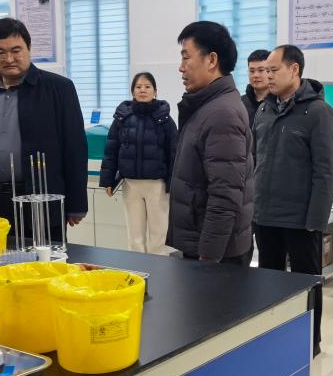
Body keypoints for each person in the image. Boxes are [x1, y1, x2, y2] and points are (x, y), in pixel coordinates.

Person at [0, 17, 88, 244]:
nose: (9, 59)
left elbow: (75, 147)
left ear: (29, 49)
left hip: (39, 201)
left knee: (42, 261)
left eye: (16, 50)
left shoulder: (58, 88)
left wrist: (77, 203)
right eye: (0, 52)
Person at [253, 45, 333, 357]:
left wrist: (316, 221)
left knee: (306, 284)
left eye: (273, 70)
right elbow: (256, 160)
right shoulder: (264, 110)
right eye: (264, 70)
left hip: (301, 220)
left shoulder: (317, 112)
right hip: (265, 216)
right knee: (269, 283)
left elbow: (326, 171)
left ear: (294, 70)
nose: (267, 76)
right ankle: (273, 337)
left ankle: (310, 342)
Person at [167, 21, 253, 265]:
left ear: (212, 60)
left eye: (186, 57)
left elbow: (225, 194)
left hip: (216, 254)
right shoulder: (207, 107)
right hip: (205, 244)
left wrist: (209, 256)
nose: (181, 67)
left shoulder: (221, 113)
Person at [99, 72, 178, 255]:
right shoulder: (122, 118)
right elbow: (111, 149)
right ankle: (137, 269)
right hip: (131, 184)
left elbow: (174, 152)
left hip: (157, 186)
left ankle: (159, 268)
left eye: (147, 86)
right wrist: (107, 180)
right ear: (132, 91)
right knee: (135, 235)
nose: (143, 90)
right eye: (138, 86)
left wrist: (173, 183)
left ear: (155, 91)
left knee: (159, 234)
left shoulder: (165, 119)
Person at [241, 49, 270, 127]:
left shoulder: (279, 102)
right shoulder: (240, 103)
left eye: (261, 70)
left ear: (270, 71)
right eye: (252, 71)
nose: (255, 75)